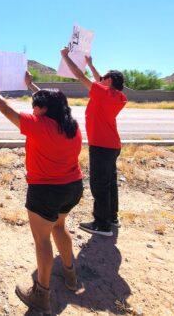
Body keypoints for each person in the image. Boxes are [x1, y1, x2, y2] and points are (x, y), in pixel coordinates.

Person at [0, 70, 83, 314]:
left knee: (42, 240)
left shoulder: (38, 125)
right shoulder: (71, 125)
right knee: (60, 227)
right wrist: (31, 86)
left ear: (43, 110)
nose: (33, 110)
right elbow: (57, 103)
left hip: (45, 191)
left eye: (36, 106)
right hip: (72, 187)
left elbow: (7, 110)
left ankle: (41, 293)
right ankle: (70, 276)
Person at [60, 49, 127, 237]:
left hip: (102, 146)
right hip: (112, 145)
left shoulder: (101, 92)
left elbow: (79, 75)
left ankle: (102, 224)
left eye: (104, 78)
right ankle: (112, 217)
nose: (100, 79)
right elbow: (99, 80)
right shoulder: (117, 96)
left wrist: (66, 58)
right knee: (110, 183)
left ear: (109, 82)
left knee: (99, 185)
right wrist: (90, 63)